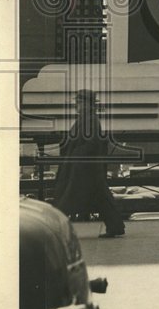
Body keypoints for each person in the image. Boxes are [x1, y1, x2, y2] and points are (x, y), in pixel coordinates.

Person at [52, 90, 125, 238]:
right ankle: (116, 226)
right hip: (87, 168)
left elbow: (91, 143)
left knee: (66, 198)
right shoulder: (87, 119)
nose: (76, 105)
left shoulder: (89, 120)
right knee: (100, 198)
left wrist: (74, 154)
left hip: (83, 168)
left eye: (78, 102)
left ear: (86, 104)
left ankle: (54, 229)